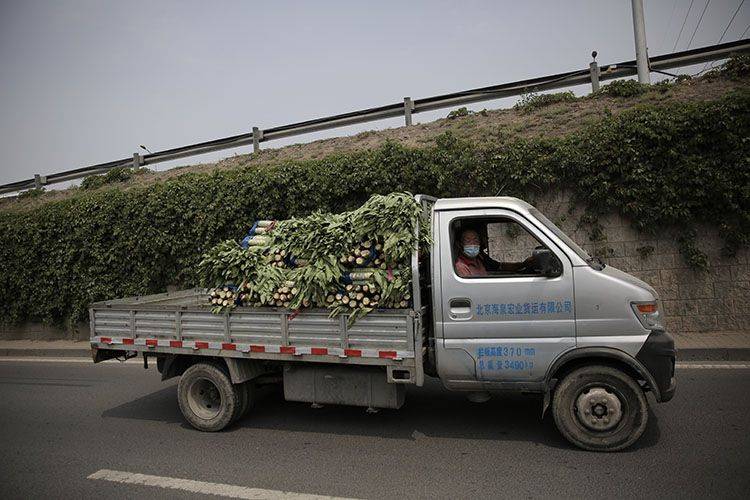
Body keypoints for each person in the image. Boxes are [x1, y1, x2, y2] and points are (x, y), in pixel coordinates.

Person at [454, 227, 535, 277]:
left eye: (475, 240)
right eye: (468, 241)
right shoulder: (461, 267)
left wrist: (523, 264)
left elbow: (500, 267)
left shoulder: (480, 259)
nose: (473, 244)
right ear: (459, 244)